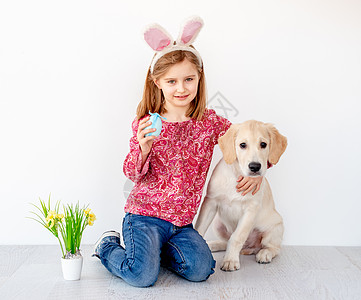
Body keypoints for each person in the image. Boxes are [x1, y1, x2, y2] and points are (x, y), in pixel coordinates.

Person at [92, 16, 263, 288]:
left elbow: (245, 140)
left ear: (199, 79)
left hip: (181, 224)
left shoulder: (210, 123)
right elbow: (131, 173)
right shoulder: (147, 123)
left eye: (188, 79)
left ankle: (156, 254)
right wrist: (144, 148)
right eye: (171, 81)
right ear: (157, 82)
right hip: (144, 217)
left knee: (201, 269)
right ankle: (107, 246)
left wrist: (257, 173)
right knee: (141, 276)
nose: (181, 88)